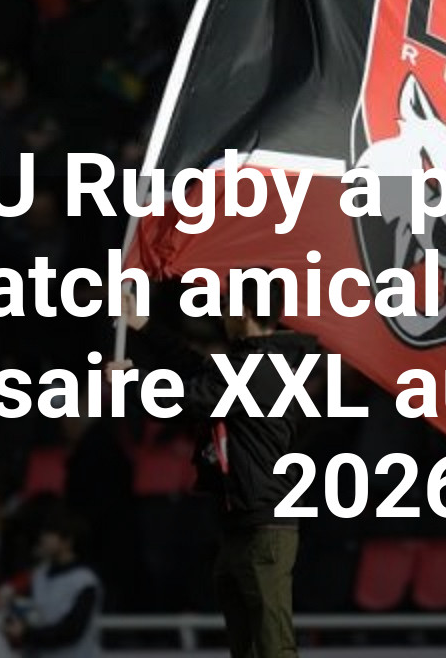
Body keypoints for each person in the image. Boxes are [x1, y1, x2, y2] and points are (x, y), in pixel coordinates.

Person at [114, 274, 319, 657]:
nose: (221, 313)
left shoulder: (259, 368)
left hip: (263, 525)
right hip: (243, 521)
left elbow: (188, 399)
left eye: (226, 305)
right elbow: (195, 366)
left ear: (244, 311)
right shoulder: (258, 362)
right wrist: (143, 325)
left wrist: (130, 384)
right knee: (248, 646)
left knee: (273, 646)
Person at [2, 513, 101, 658]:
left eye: (49, 534)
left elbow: (72, 630)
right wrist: (12, 607)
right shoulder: (39, 575)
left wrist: (27, 634)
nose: (43, 539)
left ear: (67, 541)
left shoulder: (85, 581)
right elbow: (29, 613)